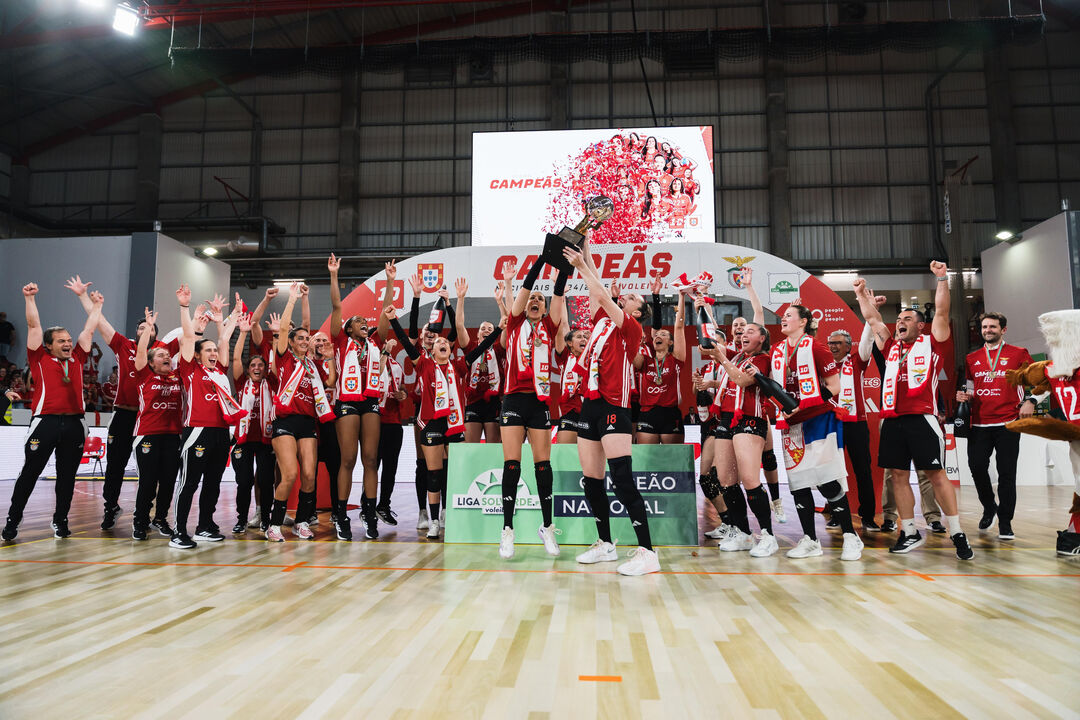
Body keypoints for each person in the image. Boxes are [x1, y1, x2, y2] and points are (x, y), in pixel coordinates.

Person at [855, 266, 974, 560]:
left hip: (923, 418)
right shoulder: (892, 346)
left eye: (907, 318)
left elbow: (943, 313)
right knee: (897, 475)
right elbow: (872, 318)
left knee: (935, 475)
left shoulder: (933, 342)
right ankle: (908, 531)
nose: (900, 322)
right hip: (892, 420)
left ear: (921, 325)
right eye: (898, 319)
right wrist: (860, 294)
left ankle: (957, 531)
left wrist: (942, 279)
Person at [564, 242, 660, 576]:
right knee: (592, 480)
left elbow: (602, 293)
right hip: (589, 405)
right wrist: (585, 244)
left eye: (635, 298)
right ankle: (605, 544)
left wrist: (580, 266)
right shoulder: (604, 320)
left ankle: (648, 552)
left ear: (638, 311)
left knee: (622, 480)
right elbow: (598, 291)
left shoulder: (631, 328)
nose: (630, 295)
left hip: (614, 408)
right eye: (629, 294)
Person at [66, 274, 181, 531]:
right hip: (124, 414)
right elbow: (100, 322)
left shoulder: (164, 350)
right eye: (139, 328)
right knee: (115, 465)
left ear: (155, 334)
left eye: (148, 328)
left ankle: (156, 516)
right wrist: (83, 296)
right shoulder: (123, 345)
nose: (142, 331)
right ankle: (111, 507)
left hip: (152, 419)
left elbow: (189, 337)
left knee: (157, 472)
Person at [387, 305, 501, 540]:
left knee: (450, 471)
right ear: (434, 349)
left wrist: (499, 328)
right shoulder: (424, 364)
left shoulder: (459, 367)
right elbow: (405, 342)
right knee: (434, 473)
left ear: (450, 349)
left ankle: (449, 513)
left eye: (445, 342)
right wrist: (393, 320)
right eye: (438, 341)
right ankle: (434, 520)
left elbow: (481, 346)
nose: (441, 342)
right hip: (431, 424)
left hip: (454, 424)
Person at [2, 282, 100, 541]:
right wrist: (29, 298)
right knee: (30, 473)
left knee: (67, 477)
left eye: (69, 340)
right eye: (61, 341)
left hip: (75, 424)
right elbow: (34, 325)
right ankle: (13, 519)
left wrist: (93, 303)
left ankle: (60, 520)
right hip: (44, 423)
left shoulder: (78, 357)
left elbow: (90, 327)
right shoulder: (39, 358)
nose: (68, 344)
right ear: (48, 345)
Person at [770, 304, 863, 561]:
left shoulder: (817, 347)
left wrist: (803, 404)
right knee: (798, 484)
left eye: (789, 315)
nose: (783, 319)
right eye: (783, 316)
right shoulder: (777, 350)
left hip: (819, 419)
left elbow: (834, 386)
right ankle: (810, 539)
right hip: (791, 424)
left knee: (826, 480)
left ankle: (850, 536)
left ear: (804, 322)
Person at [496, 257, 566, 559]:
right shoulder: (513, 323)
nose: (535, 300)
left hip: (539, 403)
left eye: (540, 298)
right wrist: (540, 261)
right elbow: (524, 289)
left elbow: (559, 296)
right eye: (532, 298)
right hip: (513, 399)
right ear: (524, 306)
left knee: (543, 467)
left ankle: (547, 527)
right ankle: (507, 530)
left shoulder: (550, 326)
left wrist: (563, 267)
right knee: (512, 465)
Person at [171, 287, 244, 549]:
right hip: (197, 432)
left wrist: (233, 314)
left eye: (215, 350)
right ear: (198, 354)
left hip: (220, 432)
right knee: (189, 483)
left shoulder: (219, 371)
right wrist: (184, 307)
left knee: (212, 483)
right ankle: (178, 531)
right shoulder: (189, 369)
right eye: (208, 350)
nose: (214, 353)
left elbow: (225, 339)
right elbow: (189, 337)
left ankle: (205, 525)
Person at [266, 283, 335, 543]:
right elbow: (284, 328)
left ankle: (302, 521)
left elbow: (330, 385)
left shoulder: (312, 365)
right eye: (301, 338)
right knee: (290, 475)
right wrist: (293, 299)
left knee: (309, 475)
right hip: (285, 421)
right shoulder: (285, 357)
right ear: (292, 342)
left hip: (308, 423)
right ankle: (273, 524)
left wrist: (328, 359)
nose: (306, 341)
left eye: (308, 338)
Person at [702, 322, 777, 556]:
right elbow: (710, 345)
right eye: (743, 333)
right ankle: (743, 533)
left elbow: (743, 380)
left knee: (750, 479)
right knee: (725, 480)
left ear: (762, 338)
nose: (744, 335)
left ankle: (768, 535)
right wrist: (701, 303)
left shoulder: (763, 359)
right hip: (726, 420)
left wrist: (722, 360)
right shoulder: (738, 356)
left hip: (750, 419)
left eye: (751, 332)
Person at [956, 312, 1033, 540]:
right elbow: (970, 388)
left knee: (1007, 474)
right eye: (984, 327)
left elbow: (1036, 381)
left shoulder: (1019, 354)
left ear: (1003, 330)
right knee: (977, 467)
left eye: (992, 326)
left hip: (1008, 423)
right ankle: (990, 507)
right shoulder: (972, 358)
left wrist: (1030, 400)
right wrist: (964, 396)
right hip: (979, 424)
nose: (988, 330)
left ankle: (1006, 522)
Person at [328, 254, 385, 540]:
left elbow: (387, 317)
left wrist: (388, 280)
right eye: (358, 320)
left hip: (370, 402)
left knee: (372, 460)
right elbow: (337, 305)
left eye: (366, 320)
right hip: (347, 402)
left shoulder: (374, 344)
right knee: (348, 459)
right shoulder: (340, 341)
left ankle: (370, 513)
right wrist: (334, 274)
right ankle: (340, 514)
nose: (364, 322)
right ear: (348, 328)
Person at [130, 308, 182, 541]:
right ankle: (140, 521)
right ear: (149, 363)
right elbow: (141, 351)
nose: (166, 357)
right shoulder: (144, 375)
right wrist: (148, 329)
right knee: (148, 482)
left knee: (168, 481)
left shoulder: (178, 376)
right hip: (147, 435)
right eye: (160, 355)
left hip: (172, 435)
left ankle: (160, 519)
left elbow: (188, 345)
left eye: (167, 355)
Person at [826, 327, 880, 531]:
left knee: (863, 471)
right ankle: (836, 515)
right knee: (831, 472)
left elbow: (867, 342)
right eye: (831, 343)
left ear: (848, 346)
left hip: (855, 422)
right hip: (830, 423)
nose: (833, 346)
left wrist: (868, 317)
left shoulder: (857, 361)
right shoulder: (823, 364)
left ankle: (867, 517)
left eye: (838, 343)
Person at [231, 313, 277, 534]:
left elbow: (276, 359)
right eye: (254, 365)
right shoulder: (241, 383)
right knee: (244, 482)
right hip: (243, 440)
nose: (257, 368)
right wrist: (243, 333)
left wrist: (276, 336)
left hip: (266, 441)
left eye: (261, 365)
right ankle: (241, 519)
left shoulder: (272, 383)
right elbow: (236, 359)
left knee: (267, 481)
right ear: (248, 369)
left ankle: (266, 519)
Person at [635, 277, 687, 445]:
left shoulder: (676, 359)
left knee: (673, 460)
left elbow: (679, 327)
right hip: (646, 413)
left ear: (671, 342)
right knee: (645, 460)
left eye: (664, 334)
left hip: (670, 414)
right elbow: (630, 350)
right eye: (656, 335)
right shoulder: (645, 360)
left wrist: (681, 295)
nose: (658, 335)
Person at [456, 279, 506, 445]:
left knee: (493, 449)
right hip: (473, 402)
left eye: (490, 329)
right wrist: (460, 299)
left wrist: (500, 302)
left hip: (493, 403)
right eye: (483, 329)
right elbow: (459, 325)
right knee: (471, 448)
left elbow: (507, 324)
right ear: (477, 335)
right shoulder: (470, 348)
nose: (486, 331)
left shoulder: (499, 349)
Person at [375, 338, 407, 525]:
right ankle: (368, 506)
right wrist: (384, 353)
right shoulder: (370, 363)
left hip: (394, 422)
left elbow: (402, 389)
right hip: (374, 422)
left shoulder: (396, 366)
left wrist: (403, 394)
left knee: (390, 468)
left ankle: (384, 505)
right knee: (372, 467)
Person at [555, 325, 590, 444]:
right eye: (579, 337)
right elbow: (562, 325)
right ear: (569, 342)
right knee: (565, 455)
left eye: (585, 337)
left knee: (589, 458)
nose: (583, 339)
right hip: (569, 411)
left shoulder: (593, 358)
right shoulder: (565, 356)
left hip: (589, 411)